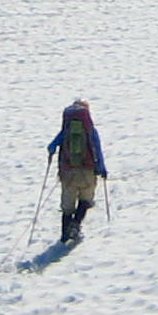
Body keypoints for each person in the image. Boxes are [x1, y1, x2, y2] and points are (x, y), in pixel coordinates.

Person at [49, 98, 107, 246]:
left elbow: (51, 146)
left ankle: (64, 235)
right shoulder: (90, 130)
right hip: (87, 171)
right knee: (86, 199)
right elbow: (97, 150)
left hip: (68, 172)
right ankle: (76, 224)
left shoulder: (65, 130)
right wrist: (101, 169)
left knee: (67, 205)